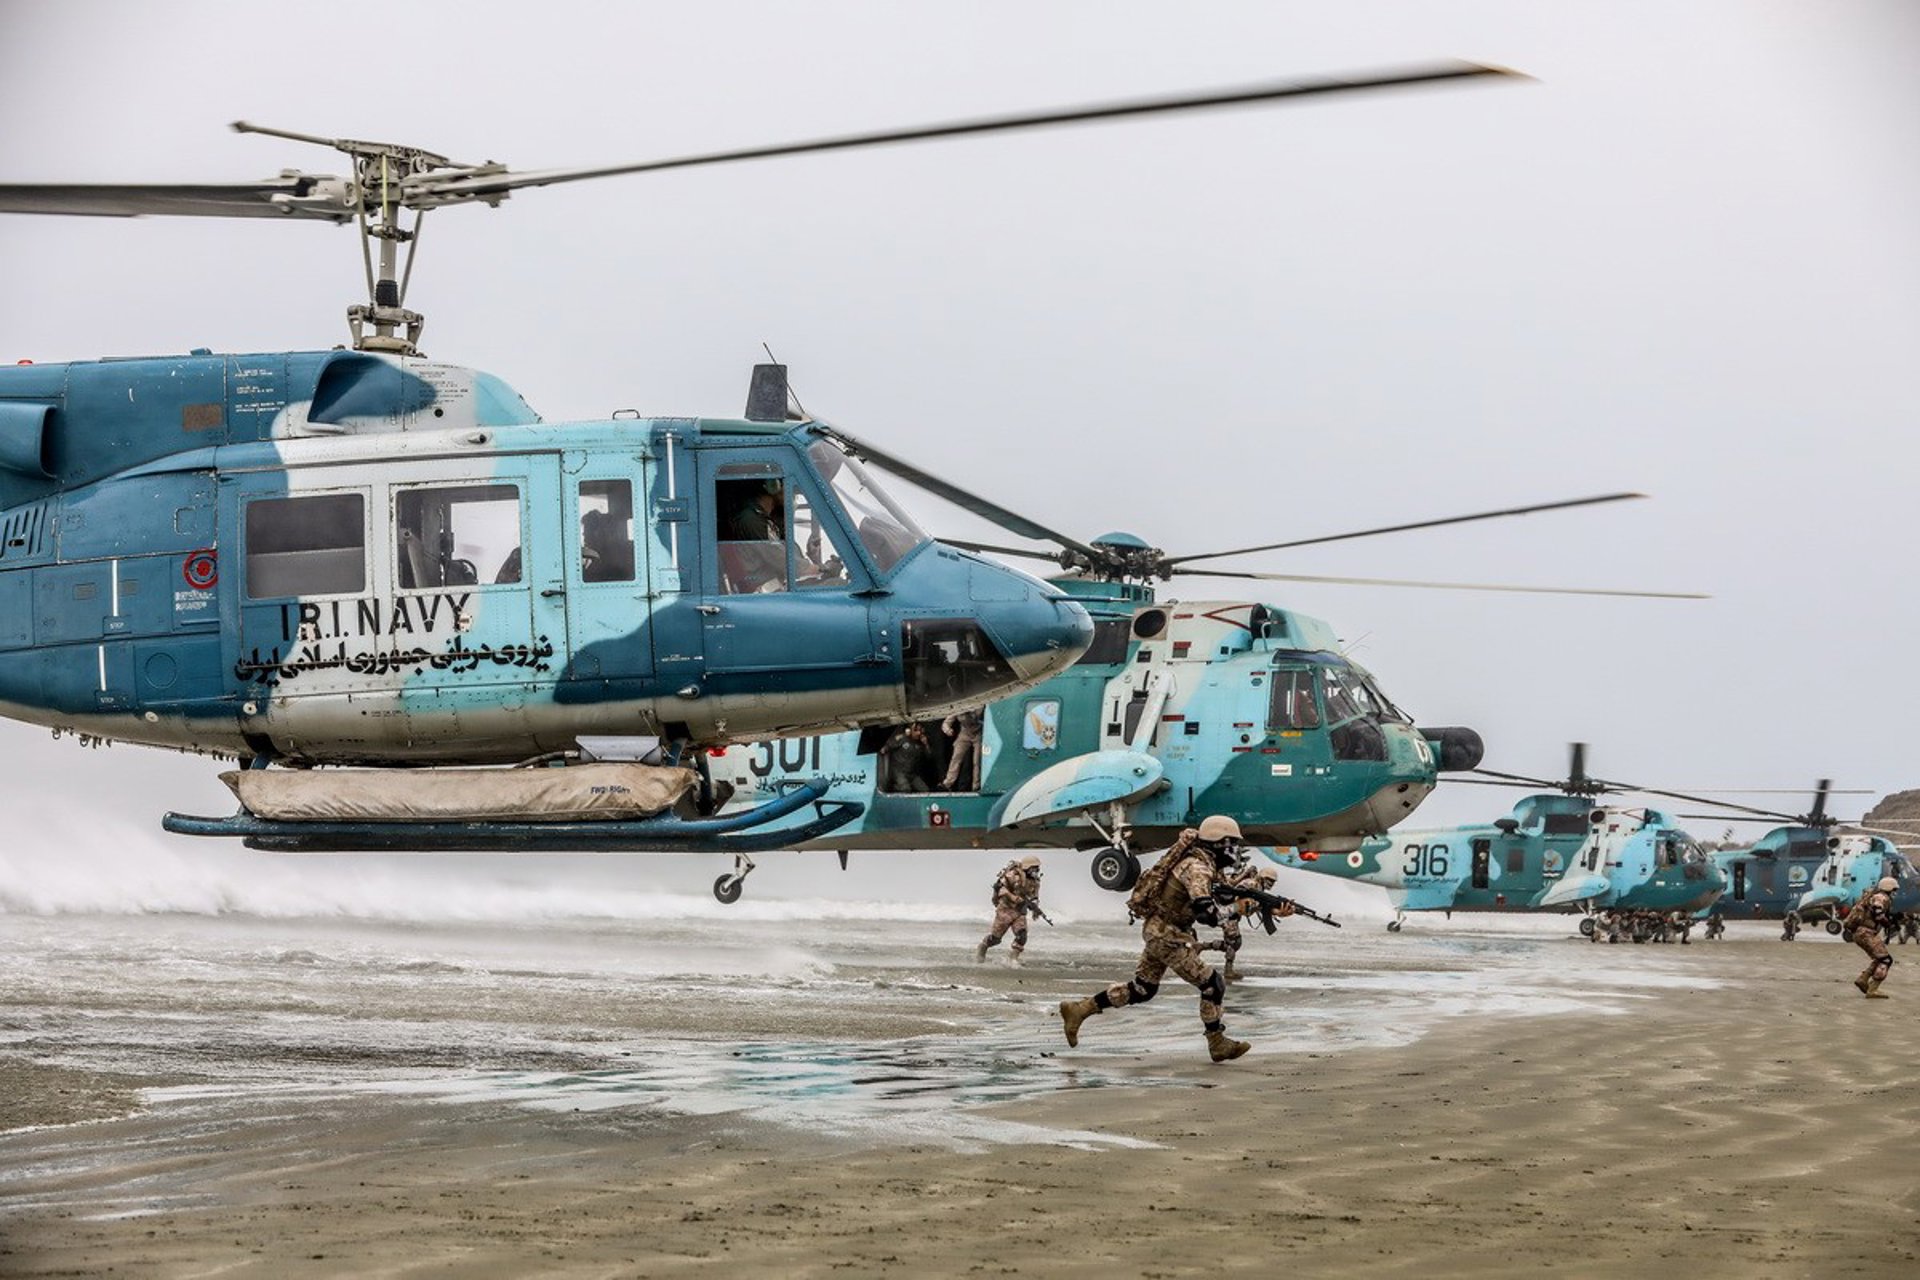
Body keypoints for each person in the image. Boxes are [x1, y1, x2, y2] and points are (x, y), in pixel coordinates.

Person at [1058, 816, 1263, 1062]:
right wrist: (1237, 909)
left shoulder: (1204, 865)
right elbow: (1207, 914)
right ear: (1219, 843)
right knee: (1212, 984)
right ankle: (1217, 1042)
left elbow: (1222, 898)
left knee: (1143, 989)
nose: (1236, 850)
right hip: (1167, 936)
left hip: (1161, 931)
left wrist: (1259, 906)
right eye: (1233, 844)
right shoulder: (1197, 868)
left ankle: (1080, 1009)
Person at [1199, 863, 1277, 983]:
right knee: (1234, 942)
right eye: (1269, 880)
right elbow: (1238, 897)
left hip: (1231, 914)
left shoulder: (1257, 887)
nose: (1271, 883)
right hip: (1228, 913)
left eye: (1273, 881)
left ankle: (1203, 946)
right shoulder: (1251, 884)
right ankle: (1228, 970)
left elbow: (1248, 906)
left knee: (1234, 943)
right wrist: (1256, 906)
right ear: (1262, 877)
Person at [975, 856, 1044, 966]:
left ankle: (1013, 959)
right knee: (996, 939)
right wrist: (1015, 898)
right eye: (1034, 868)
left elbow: (1034, 897)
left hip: (1019, 912)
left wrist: (1035, 908)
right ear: (1027, 867)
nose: (1036, 871)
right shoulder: (1012, 875)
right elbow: (1001, 889)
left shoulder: (1035, 882)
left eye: (1037, 868)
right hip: (1005, 910)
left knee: (1022, 935)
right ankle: (983, 947)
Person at [1846, 877, 1898, 998]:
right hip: (1866, 933)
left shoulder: (1873, 896)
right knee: (1886, 960)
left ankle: (1863, 979)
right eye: (1894, 889)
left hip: (1861, 932)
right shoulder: (1881, 897)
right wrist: (1888, 923)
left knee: (1879, 957)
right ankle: (1872, 989)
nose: (1895, 892)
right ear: (1889, 888)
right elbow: (1878, 913)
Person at [880, 724, 933, 793]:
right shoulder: (902, 738)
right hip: (898, 771)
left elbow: (929, 756)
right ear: (910, 730)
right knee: (905, 788)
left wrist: (926, 744)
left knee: (925, 790)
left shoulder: (920, 743)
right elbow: (888, 745)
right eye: (915, 730)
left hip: (911, 773)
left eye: (920, 731)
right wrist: (884, 749)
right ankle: (894, 789)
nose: (918, 733)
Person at [940, 708, 984, 791]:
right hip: (965, 733)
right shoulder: (958, 708)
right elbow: (946, 723)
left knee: (977, 760)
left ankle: (976, 785)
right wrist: (948, 730)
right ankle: (948, 783)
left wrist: (972, 713)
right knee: (956, 757)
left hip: (978, 732)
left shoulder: (978, 707)